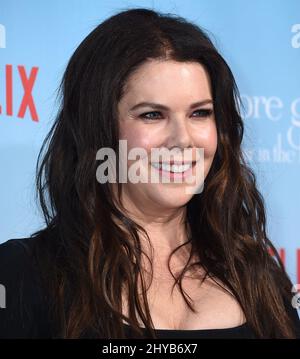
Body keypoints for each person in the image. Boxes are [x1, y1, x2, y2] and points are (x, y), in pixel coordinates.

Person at [0, 7, 299, 339]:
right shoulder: (24, 274)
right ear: (98, 128)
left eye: (200, 113)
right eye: (153, 115)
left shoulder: (258, 276)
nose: (183, 139)